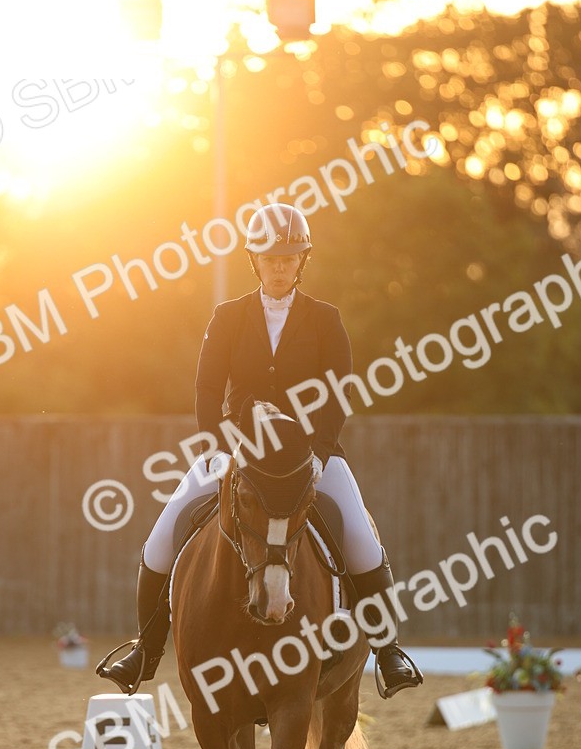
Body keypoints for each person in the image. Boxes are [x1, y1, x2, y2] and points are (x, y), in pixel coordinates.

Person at [102, 203, 422, 699]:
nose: (279, 268)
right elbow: (208, 389)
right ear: (254, 260)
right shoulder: (228, 317)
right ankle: (146, 649)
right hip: (239, 451)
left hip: (309, 455)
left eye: (288, 258)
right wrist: (214, 447)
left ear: (301, 261)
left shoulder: (325, 319)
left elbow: (338, 393)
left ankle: (387, 651)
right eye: (270, 258)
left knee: (360, 538)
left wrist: (319, 454)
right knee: (162, 537)